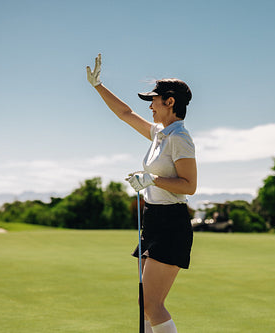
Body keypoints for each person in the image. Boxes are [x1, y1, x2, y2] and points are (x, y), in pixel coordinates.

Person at [87, 54, 197, 333]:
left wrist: (152, 179)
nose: (150, 105)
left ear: (170, 102)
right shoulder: (160, 135)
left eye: (154, 99)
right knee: (146, 305)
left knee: (152, 305)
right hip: (153, 220)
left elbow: (189, 186)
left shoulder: (179, 138)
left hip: (171, 223)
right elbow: (125, 114)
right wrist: (98, 86)